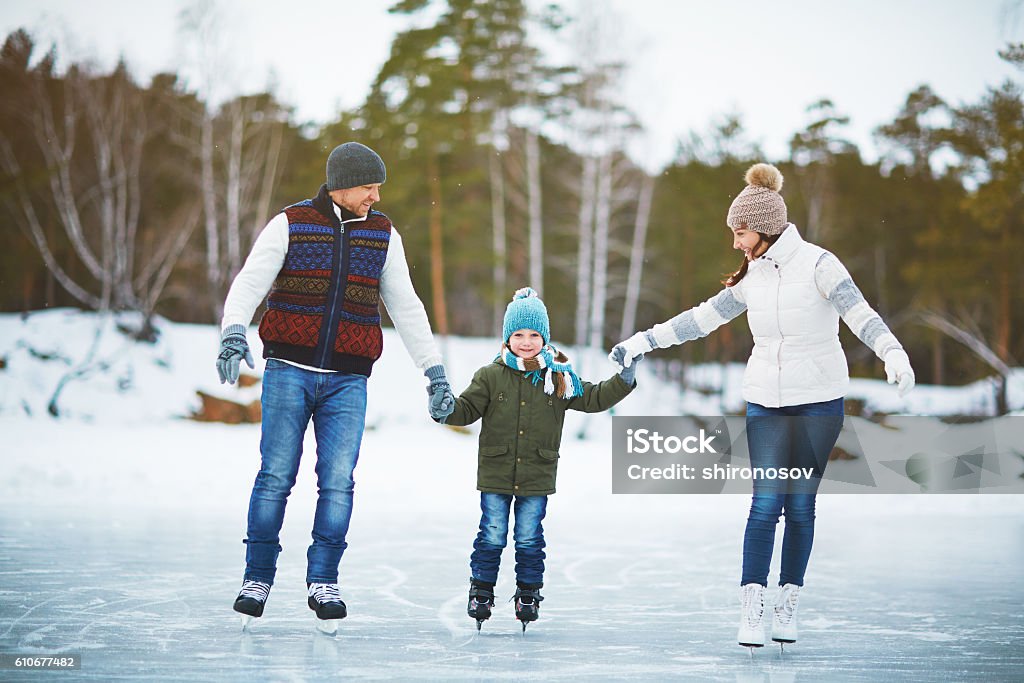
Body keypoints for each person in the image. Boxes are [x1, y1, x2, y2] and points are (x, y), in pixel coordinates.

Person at [610, 163, 915, 649]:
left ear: (767, 227)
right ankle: (752, 609)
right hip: (765, 403)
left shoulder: (819, 264)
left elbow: (860, 314)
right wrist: (643, 341)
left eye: (741, 231)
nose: (735, 242)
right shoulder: (753, 275)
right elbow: (701, 319)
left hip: (818, 402)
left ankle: (787, 604)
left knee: (800, 506)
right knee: (765, 503)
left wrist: (892, 353)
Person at [215, 142, 455, 629]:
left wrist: (434, 371)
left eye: (378, 187)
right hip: (288, 371)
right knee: (275, 476)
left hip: (348, 379)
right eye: (369, 186)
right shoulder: (292, 223)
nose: (376, 196)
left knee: (338, 483)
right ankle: (256, 577)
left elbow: (406, 306)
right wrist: (234, 330)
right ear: (343, 183)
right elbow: (249, 282)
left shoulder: (383, 236)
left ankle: (323, 580)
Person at [440, 287, 639, 631]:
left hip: (537, 472)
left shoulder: (557, 376)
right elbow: (466, 409)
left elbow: (593, 397)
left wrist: (624, 379)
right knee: (492, 533)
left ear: (545, 338)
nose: (526, 341)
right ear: (507, 337)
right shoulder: (490, 375)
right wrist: (444, 408)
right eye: (518, 334)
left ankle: (528, 592)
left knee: (530, 536)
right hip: (497, 471)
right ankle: (481, 589)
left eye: (534, 334)